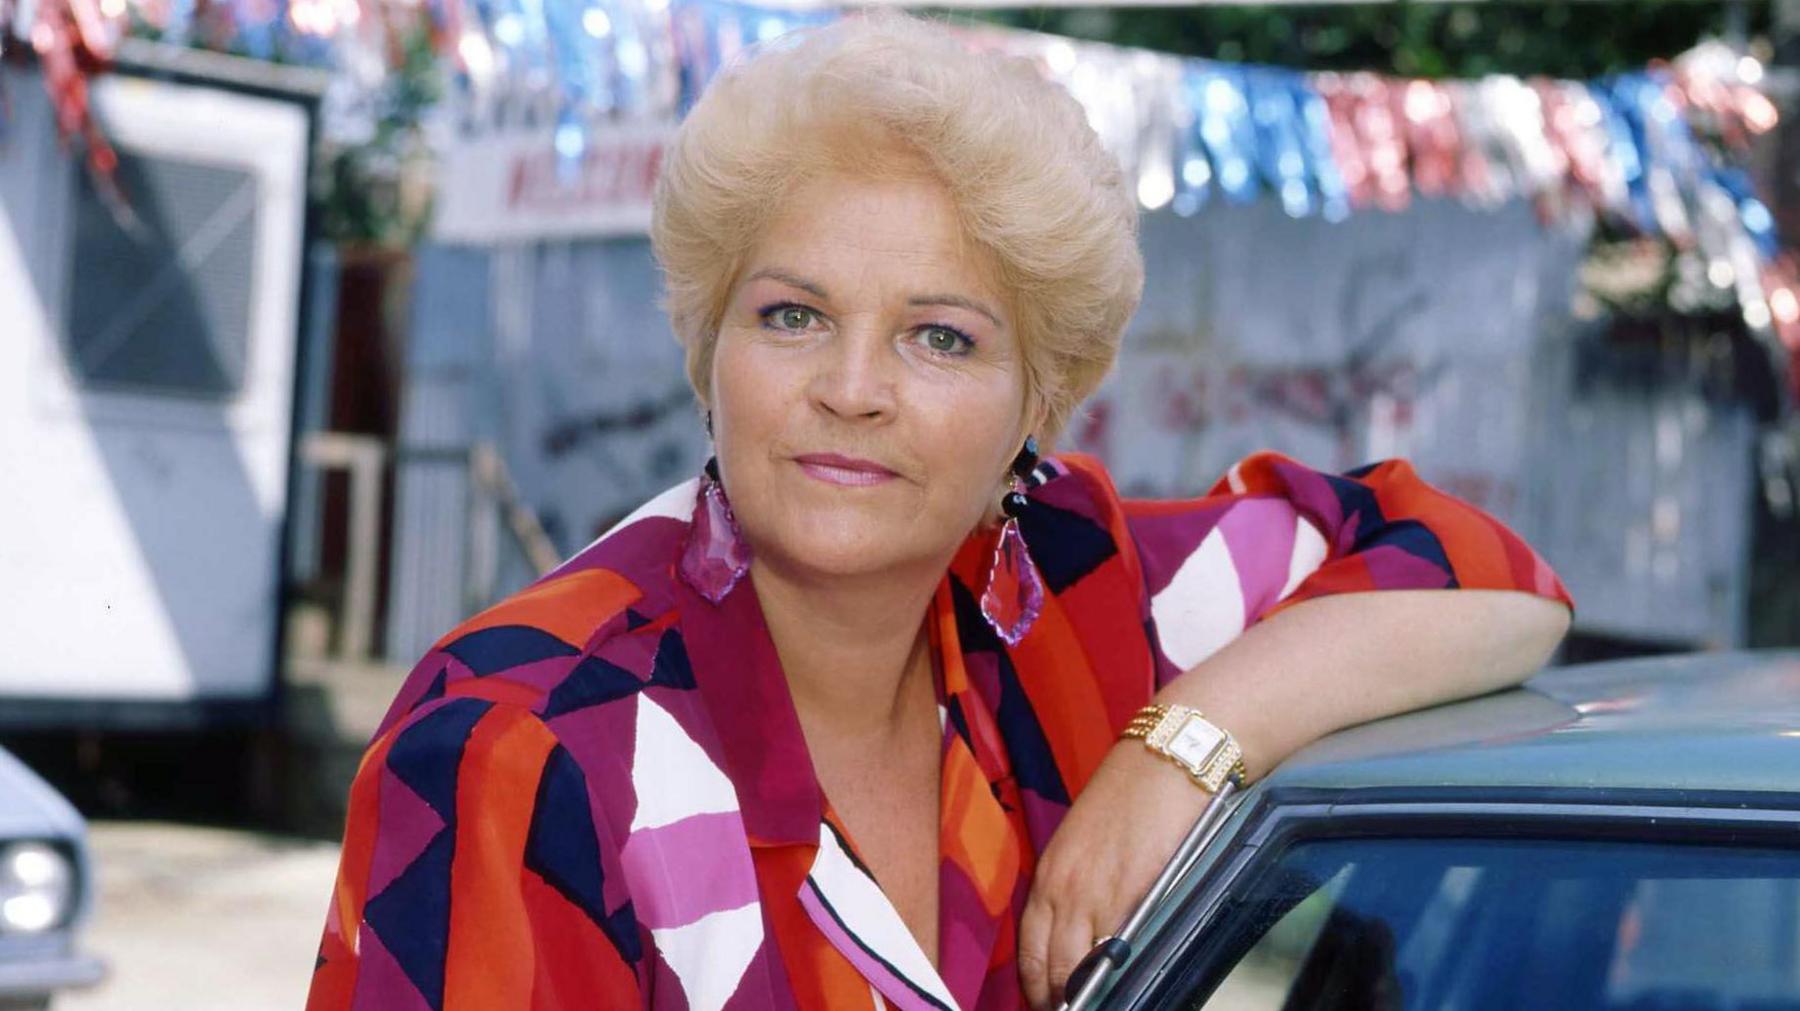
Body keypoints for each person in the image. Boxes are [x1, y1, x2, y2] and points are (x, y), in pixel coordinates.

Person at [304, 11, 1572, 1011]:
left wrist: (1181, 745)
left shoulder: (1072, 591)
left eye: (940, 338)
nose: (851, 391)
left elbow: (1492, 577)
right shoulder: (523, 749)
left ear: (1040, 401)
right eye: (792, 315)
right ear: (709, 352)